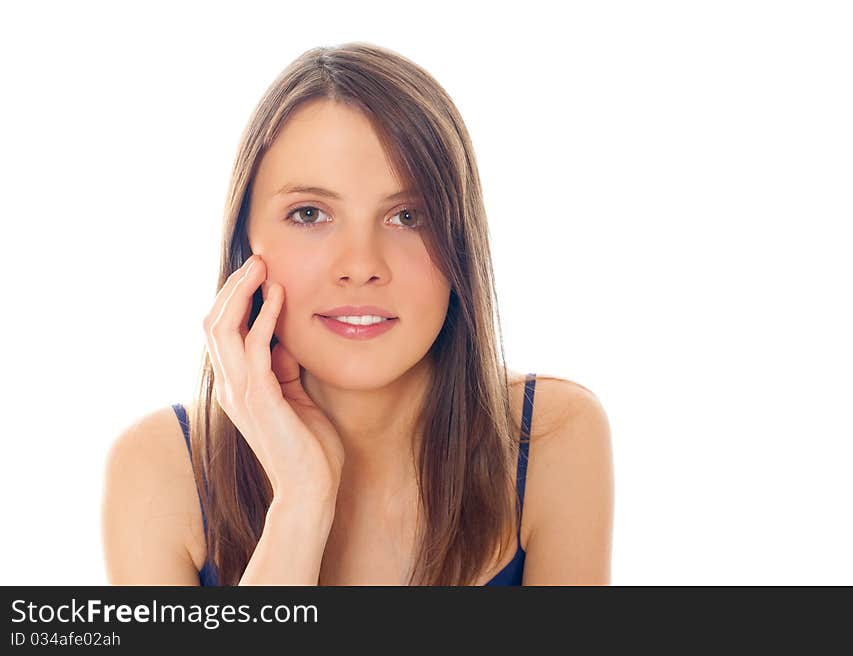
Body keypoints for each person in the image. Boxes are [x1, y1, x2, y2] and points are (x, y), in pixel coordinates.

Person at [101, 42, 614, 586]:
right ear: (245, 243)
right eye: (309, 213)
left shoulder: (551, 437)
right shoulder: (159, 470)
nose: (362, 265)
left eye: (407, 216)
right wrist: (301, 502)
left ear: (460, 242)